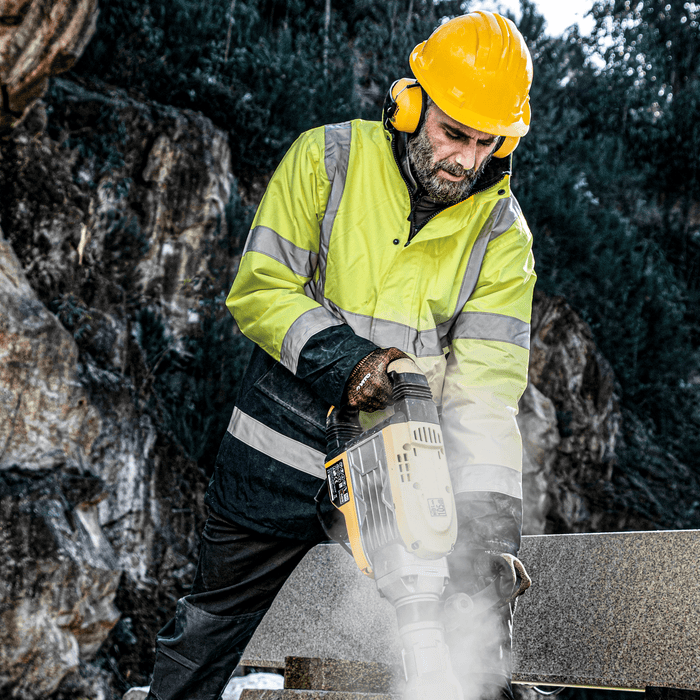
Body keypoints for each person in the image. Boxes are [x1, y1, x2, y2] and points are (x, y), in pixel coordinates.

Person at [146, 10, 536, 700]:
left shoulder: (501, 233)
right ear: (412, 106)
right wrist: (351, 363)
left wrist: (488, 533)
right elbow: (260, 289)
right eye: (453, 133)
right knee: (205, 637)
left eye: (487, 142)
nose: (466, 160)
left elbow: (487, 393)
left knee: (457, 641)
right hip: (273, 453)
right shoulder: (326, 157)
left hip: (398, 468)